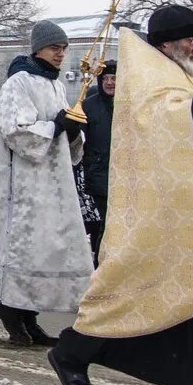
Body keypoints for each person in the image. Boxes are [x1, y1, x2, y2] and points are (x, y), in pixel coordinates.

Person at [49, 11, 193, 385]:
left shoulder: (177, 74)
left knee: (189, 291)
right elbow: (179, 121)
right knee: (134, 287)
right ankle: (71, 351)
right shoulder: (150, 77)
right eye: (191, 39)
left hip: (188, 204)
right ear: (167, 42)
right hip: (153, 209)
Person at [0, 20, 92, 348]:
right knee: (18, 248)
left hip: (49, 184)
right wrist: (56, 125)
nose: (61, 54)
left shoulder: (55, 85)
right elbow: (16, 131)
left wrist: (71, 130)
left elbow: (65, 137)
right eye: (56, 48)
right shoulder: (19, 82)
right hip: (19, 185)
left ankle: (29, 315)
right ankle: (9, 310)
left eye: (64, 48)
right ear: (38, 48)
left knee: (40, 250)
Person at [78, 60, 114, 265]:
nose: (109, 83)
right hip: (99, 175)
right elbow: (79, 139)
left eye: (114, 78)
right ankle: (101, 266)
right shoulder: (89, 105)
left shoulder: (129, 102)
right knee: (106, 224)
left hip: (124, 174)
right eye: (106, 79)